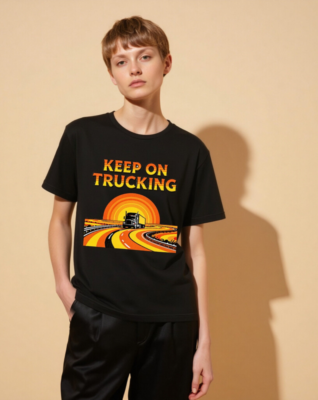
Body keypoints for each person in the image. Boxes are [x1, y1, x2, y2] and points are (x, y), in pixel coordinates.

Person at [41, 15, 226, 400]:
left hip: (171, 323)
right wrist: (64, 289)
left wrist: (203, 342)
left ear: (166, 63)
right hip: (98, 315)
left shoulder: (191, 152)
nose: (134, 69)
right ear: (111, 74)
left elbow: (196, 251)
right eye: (121, 61)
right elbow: (59, 220)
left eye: (145, 57)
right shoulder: (82, 136)